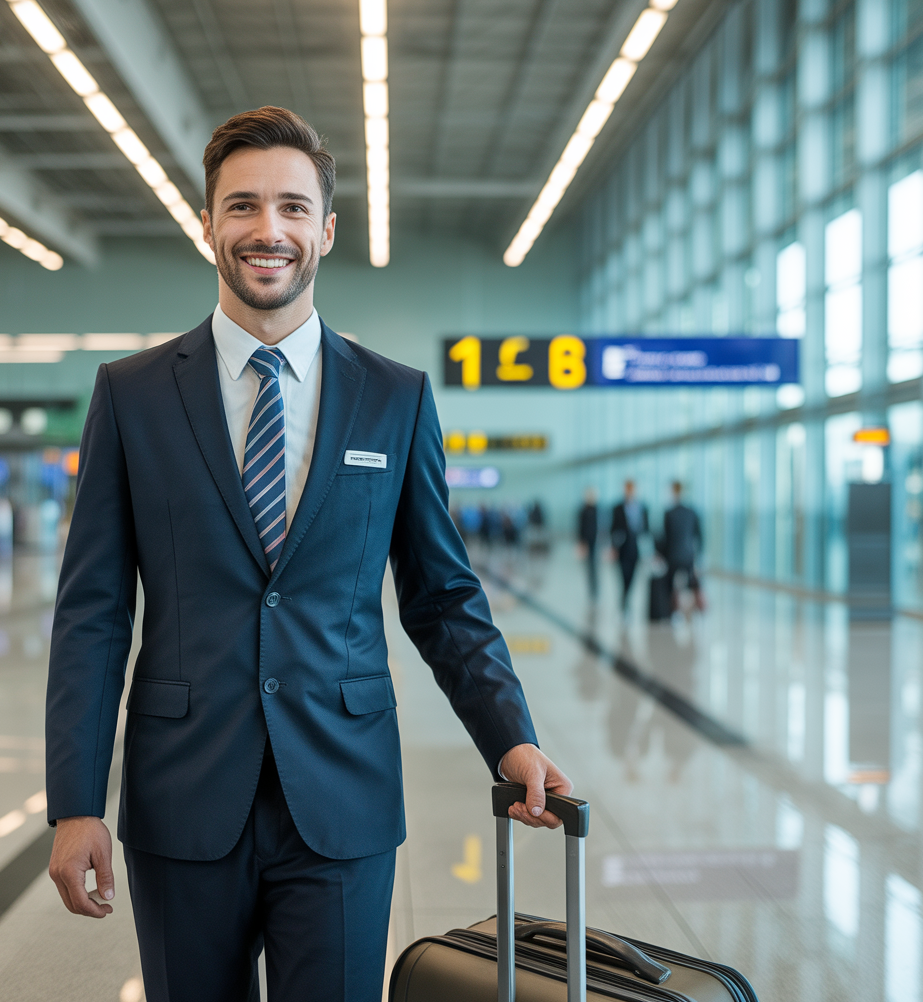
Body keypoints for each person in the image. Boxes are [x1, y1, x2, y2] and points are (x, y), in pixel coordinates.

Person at [45, 106, 569, 1002]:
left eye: (292, 207)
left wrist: (510, 737)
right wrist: (76, 802)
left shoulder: (394, 398)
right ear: (208, 224)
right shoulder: (130, 395)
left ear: (325, 229)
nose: (267, 230)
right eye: (241, 206)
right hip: (183, 796)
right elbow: (93, 610)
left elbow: (440, 594)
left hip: (343, 793)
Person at [663, 480, 703, 610]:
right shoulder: (692, 512)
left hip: (673, 556)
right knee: (692, 583)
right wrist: (698, 557)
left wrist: (661, 555)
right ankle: (694, 608)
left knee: (670, 585)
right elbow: (699, 537)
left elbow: (665, 539)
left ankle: (673, 610)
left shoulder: (669, 513)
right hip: (688, 555)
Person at [610, 479, 648, 607]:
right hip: (622, 549)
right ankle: (624, 603)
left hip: (636, 550)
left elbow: (646, 531)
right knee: (623, 578)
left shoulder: (642, 508)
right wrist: (613, 548)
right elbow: (613, 529)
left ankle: (626, 601)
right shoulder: (617, 508)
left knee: (632, 578)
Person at [576, 487, 599, 600]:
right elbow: (580, 528)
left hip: (596, 542)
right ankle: (591, 591)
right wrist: (581, 544)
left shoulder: (597, 509)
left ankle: (596, 591)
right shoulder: (583, 510)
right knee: (589, 567)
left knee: (596, 568)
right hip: (587, 542)